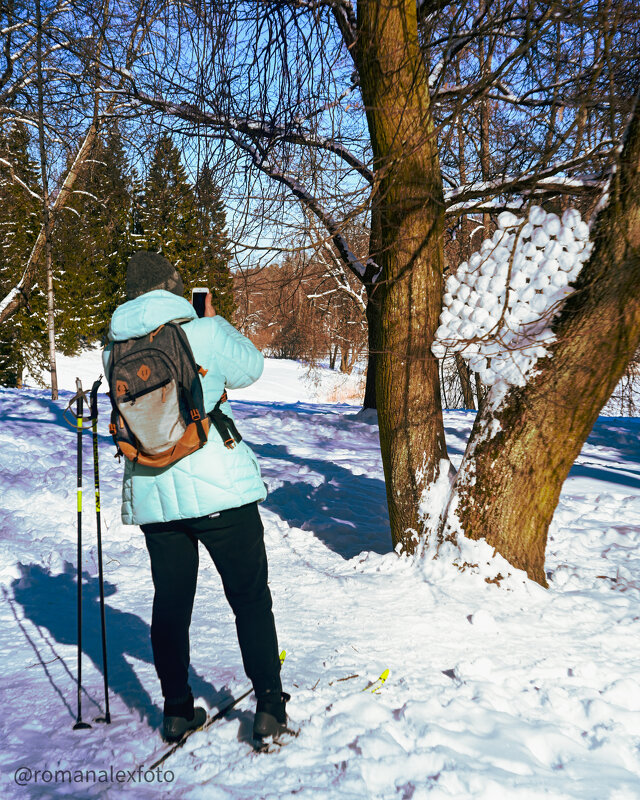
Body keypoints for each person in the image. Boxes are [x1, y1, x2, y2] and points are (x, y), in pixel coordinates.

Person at [103, 250, 288, 743]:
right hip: (219, 490)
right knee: (249, 599)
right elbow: (251, 368)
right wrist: (214, 319)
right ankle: (270, 708)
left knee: (171, 605)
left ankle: (177, 711)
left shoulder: (113, 348)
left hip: (153, 496)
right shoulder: (200, 332)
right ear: (174, 287)